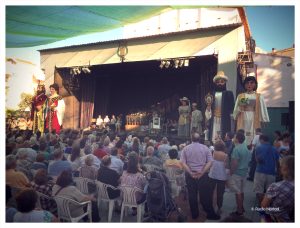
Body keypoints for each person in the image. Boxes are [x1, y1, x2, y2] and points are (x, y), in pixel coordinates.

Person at [180, 133, 220, 220]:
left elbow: (183, 163)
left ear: (191, 138)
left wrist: (190, 172)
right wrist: (202, 172)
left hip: (190, 175)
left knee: (192, 195)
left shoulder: (186, 148)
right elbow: (210, 162)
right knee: (205, 195)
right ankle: (210, 213)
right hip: (202, 175)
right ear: (200, 139)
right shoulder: (205, 148)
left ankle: (195, 214)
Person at [233, 76, 269, 145]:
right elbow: (236, 109)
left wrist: (264, 119)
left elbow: (263, 108)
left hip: (254, 116)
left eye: (251, 83)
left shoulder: (258, 96)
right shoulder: (241, 96)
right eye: (247, 83)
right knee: (244, 132)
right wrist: (239, 109)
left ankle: (252, 146)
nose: (249, 85)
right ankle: (242, 146)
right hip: (243, 117)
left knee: (252, 133)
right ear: (245, 85)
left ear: (255, 84)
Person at [261, 155, 294, 222]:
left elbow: (264, 206)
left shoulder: (275, 186)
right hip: (288, 217)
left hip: (275, 217)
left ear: (284, 169)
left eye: (280, 166)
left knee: (262, 214)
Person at [205, 71, 234, 143]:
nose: (220, 83)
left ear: (225, 82)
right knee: (213, 133)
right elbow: (209, 106)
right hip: (214, 117)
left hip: (224, 118)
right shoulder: (211, 94)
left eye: (222, 82)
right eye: (218, 82)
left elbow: (232, 107)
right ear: (215, 83)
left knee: (223, 133)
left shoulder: (229, 93)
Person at [228, 132, 251, 216]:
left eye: (234, 137)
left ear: (237, 139)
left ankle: (239, 211)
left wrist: (231, 171)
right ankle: (241, 207)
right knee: (241, 191)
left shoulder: (236, 149)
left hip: (237, 173)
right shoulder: (245, 147)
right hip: (244, 172)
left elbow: (235, 163)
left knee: (237, 192)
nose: (233, 138)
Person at [253, 135, 279, 203]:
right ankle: (266, 205)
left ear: (262, 140)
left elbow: (258, 160)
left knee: (259, 190)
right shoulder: (274, 149)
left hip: (260, 171)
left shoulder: (258, 147)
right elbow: (277, 161)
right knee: (269, 191)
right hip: (272, 172)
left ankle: (261, 205)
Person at [208, 140, 228, 215]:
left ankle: (209, 206)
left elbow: (210, 162)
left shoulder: (213, 153)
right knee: (220, 193)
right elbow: (226, 167)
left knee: (210, 191)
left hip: (212, 174)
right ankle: (219, 208)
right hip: (222, 176)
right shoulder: (225, 155)